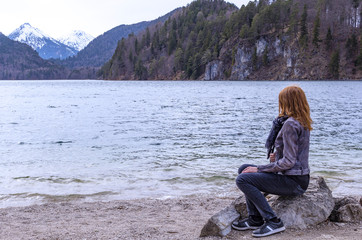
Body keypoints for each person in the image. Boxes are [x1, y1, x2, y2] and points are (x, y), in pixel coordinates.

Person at [232, 85, 313, 238]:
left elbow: (289, 163)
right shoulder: (302, 121)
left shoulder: (290, 124)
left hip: (293, 182)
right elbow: (294, 155)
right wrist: (278, 156)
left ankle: (273, 221)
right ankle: (255, 218)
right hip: (299, 179)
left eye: (282, 101)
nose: (280, 104)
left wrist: (259, 169)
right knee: (244, 168)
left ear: (288, 102)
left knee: (243, 179)